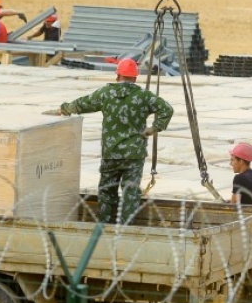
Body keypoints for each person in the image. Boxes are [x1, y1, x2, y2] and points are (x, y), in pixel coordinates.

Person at [57, 58, 174, 225]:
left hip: (111, 152)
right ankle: (126, 230)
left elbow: (83, 104)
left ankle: (102, 226)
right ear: (135, 77)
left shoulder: (106, 93)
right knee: (130, 193)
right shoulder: (144, 96)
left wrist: (64, 109)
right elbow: (167, 109)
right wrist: (154, 128)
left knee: (106, 191)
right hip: (134, 155)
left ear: (117, 75)